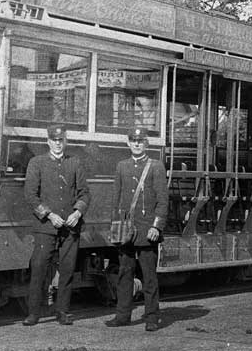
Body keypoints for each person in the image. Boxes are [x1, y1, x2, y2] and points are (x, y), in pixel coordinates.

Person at [22, 124, 90, 326]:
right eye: (54, 140)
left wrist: (77, 213)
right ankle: (34, 313)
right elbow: (30, 195)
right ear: (48, 141)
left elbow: (85, 193)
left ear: (66, 141)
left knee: (68, 270)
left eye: (61, 140)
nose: (58, 144)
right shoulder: (37, 163)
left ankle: (63, 312)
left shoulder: (75, 163)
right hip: (46, 227)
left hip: (70, 227)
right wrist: (50, 215)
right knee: (39, 268)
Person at [105, 127, 169, 332]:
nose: (137, 144)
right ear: (128, 143)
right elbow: (115, 199)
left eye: (140, 141)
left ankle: (152, 317)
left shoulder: (155, 166)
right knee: (125, 274)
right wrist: (115, 226)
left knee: (149, 277)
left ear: (146, 144)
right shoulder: (122, 166)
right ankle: (123, 316)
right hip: (126, 232)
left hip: (146, 230)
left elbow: (162, 200)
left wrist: (156, 226)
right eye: (133, 141)